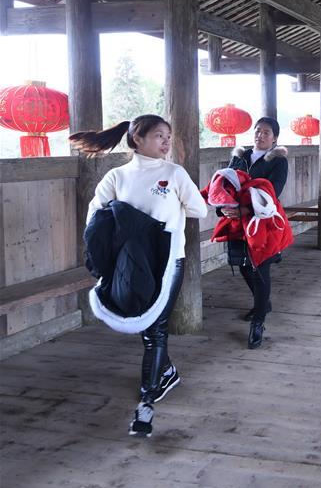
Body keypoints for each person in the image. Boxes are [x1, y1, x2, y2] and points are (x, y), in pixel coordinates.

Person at [70, 115, 207, 438]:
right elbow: (95, 215)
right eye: (159, 135)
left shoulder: (174, 173)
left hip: (169, 258)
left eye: (168, 136)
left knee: (155, 327)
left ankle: (148, 395)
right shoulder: (116, 176)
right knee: (146, 324)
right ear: (137, 140)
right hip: (131, 262)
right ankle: (167, 371)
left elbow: (199, 209)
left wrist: (163, 214)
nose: (166, 142)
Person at [223, 117, 288, 350]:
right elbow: (226, 183)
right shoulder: (240, 156)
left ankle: (258, 323)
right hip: (238, 221)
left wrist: (245, 208)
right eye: (258, 131)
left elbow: (274, 192)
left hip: (264, 220)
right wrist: (225, 205)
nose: (260, 135)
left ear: (275, 138)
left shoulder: (278, 161)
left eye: (266, 133)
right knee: (242, 264)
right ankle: (263, 304)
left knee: (260, 269)